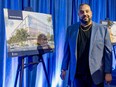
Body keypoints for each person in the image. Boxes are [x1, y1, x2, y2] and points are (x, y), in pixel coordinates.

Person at [60, 3, 112, 87]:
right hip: (78, 75)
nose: (85, 14)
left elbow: (108, 53)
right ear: (78, 14)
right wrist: (63, 68)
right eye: (82, 12)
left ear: (91, 13)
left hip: (96, 75)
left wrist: (108, 72)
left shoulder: (102, 30)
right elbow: (67, 51)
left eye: (87, 11)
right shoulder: (71, 30)